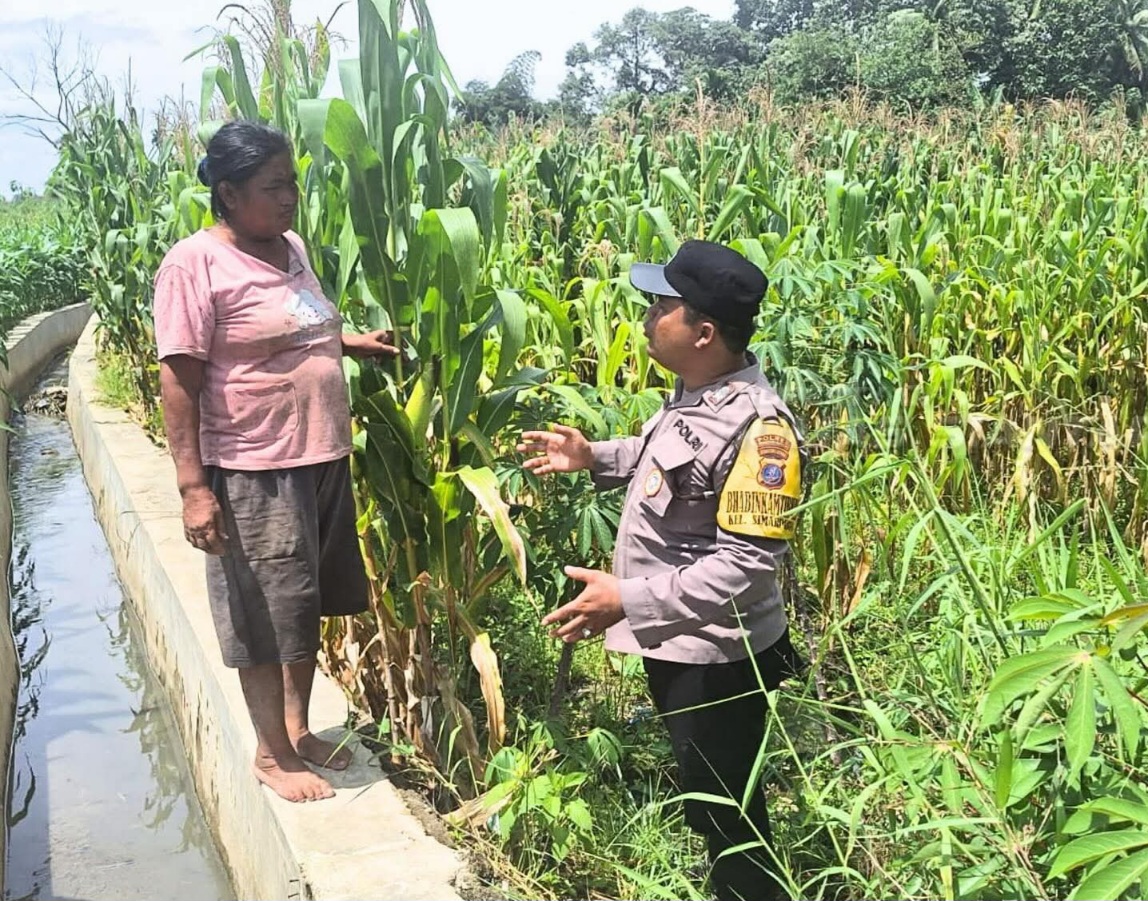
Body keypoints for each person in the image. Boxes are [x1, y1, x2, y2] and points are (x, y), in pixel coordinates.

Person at [518, 240, 805, 901]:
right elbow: (669, 461)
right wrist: (595, 455)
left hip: (717, 656)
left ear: (704, 332)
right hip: (678, 641)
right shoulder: (699, 394)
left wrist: (629, 599)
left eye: (663, 305)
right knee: (709, 798)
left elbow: (746, 565)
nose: (647, 317)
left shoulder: (761, 430)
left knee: (730, 815)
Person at [152, 120, 399, 803]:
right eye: (274, 186)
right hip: (254, 467)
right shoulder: (194, 264)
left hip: (320, 455)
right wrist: (193, 485)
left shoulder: (288, 246)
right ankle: (270, 752)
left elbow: (295, 322)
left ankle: (299, 728)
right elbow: (179, 379)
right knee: (263, 615)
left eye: (292, 181)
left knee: (304, 605)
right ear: (228, 193)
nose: (290, 196)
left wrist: (348, 342)